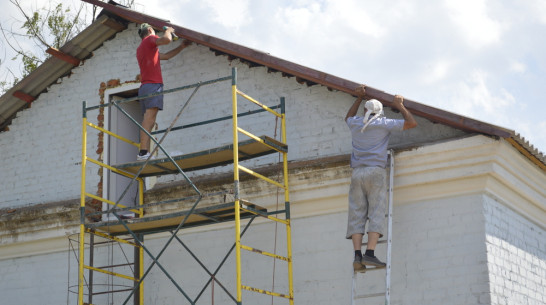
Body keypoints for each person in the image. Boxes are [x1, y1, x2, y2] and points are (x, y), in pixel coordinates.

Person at [345, 85, 417, 272]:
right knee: (376, 211)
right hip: (375, 172)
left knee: (356, 213)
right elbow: (411, 123)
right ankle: (370, 253)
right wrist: (400, 105)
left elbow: (347, 117)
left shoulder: (355, 123)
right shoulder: (383, 123)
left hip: (357, 173)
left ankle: (357, 256)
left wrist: (359, 97)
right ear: (380, 112)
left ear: (365, 111)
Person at [136, 23, 192, 161]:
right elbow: (166, 40)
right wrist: (168, 30)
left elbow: (166, 56)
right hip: (152, 86)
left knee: (149, 119)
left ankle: (144, 152)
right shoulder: (149, 40)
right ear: (149, 30)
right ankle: (143, 153)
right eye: (154, 31)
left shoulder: (142, 49)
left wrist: (182, 46)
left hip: (145, 87)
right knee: (149, 119)